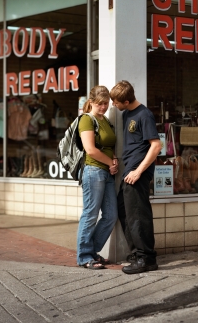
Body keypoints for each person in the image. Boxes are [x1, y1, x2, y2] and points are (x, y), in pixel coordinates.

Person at [110, 80, 162, 274]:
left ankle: (146, 259)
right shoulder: (127, 114)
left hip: (137, 172)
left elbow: (156, 146)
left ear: (126, 101)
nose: (114, 105)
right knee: (124, 210)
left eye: (116, 102)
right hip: (129, 171)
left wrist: (139, 171)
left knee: (138, 215)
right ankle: (136, 254)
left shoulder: (144, 114)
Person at [77, 85, 119, 269]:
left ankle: (92, 251)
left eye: (106, 103)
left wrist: (114, 160)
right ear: (92, 102)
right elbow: (91, 150)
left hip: (107, 172)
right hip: (94, 171)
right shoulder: (87, 120)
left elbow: (109, 146)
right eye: (100, 103)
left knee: (111, 215)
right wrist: (110, 163)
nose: (103, 107)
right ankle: (85, 257)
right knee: (90, 214)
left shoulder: (106, 121)